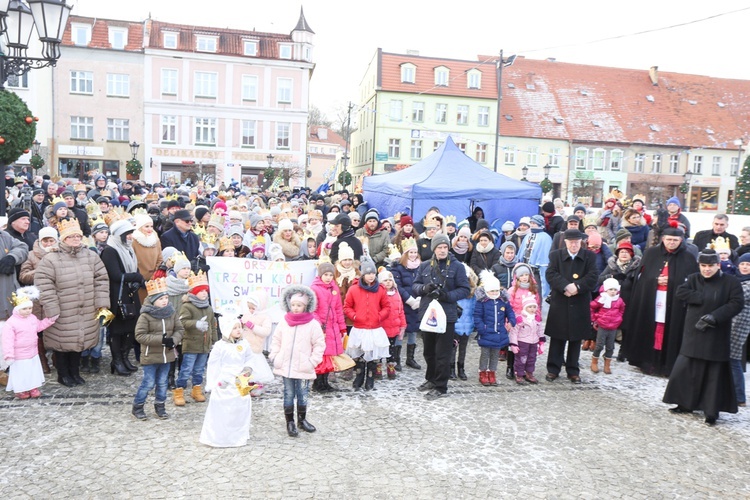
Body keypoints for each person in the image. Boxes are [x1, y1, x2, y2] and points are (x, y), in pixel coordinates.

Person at [663, 249, 743, 426]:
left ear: (718, 265)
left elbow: (737, 303)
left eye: (710, 266)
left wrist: (715, 316)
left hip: (717, 334)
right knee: (687, 369)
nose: (707, 269)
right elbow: (680, 293)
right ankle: (685, 403)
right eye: (703, 266)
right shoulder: (693, 279)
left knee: (713, 374)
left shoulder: (731, 282)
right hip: (694, 331)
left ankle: (711, 410)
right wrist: (703, 297)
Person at [34, 219, 110, 387]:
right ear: (63, 238)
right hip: (63, 308)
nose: (76, 239)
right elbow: (44, 284)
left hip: (86, 307)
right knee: (62, 343)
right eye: (72, 236)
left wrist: (101, 303)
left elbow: (101, 279)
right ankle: (63, 374)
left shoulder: (91, 256)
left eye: (78, 236)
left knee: (78, 342)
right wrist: (52, 307)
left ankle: (74, 372)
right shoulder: (51, 258)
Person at [623, 227, 698, 376]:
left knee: (670, 329)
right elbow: (640, 278)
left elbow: (692, 282)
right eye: (669, 239)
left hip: (674, 302)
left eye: (675, 240)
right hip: (652, 298)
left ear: (681, 240)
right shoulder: (651, 253)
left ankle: (667, 363)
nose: (671, 243)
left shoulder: (688, 257)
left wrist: (672, 281)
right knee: (651, 326)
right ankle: (647, 361)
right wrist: (655, 279)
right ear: (663, 239)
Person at [200, 309, 273, 447]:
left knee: (240, 409)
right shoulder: (220, 347)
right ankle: (219, 437)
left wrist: (247, 369)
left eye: (239, 327)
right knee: (223, 410)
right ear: (227, 329)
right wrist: (214, 382)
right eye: (234, 328)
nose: (238, 330)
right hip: (225, 382)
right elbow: (213, 365)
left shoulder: (244, 344)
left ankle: (237, 436)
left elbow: (250, 358)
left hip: (240, 381)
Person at [412, 234, 470, 400]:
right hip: (428, 315)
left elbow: (465, 289)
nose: (442, 250)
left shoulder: (457, 266)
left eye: (445, 247)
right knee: (429, 352)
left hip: (447, 315)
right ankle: (431, 379)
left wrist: (446, 295)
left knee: (443, 353)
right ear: (434, 249)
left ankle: (441, 386)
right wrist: (425, 289)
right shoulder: (424, 266)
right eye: (439, 247)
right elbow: (414, 287)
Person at [269, 285, 326, 438]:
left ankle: (302, 419)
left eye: (299, 305)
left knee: (303, 394)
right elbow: (276, 339)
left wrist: (312, 361)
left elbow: (319, 344)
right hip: (286, 365)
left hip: (304, 367)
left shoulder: (312, 324)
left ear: (306, 306)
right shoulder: (284, 322)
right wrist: (275, 355)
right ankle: (289, 421)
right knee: (288, 394)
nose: (295, 308)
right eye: (293, 305)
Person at [544, 229, 598, 384]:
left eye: (577, 242)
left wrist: (578, 287)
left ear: (581, 242)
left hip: (579, 301)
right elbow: (551, 274)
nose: (574, 245)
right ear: (565, 242)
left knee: (576, 339)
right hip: (560, 301)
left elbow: (593, 276)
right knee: (557, 338)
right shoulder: (556, 255)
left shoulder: (589, 256)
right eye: (571, 242)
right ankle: (553, 369)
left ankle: (573, 370)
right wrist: (565, 286)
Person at [131, 278, 184, 421]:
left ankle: (160, 406)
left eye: (166, 298)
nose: (165, 301)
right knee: (148, 383)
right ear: (153, 300)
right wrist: (161, 340)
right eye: (161, 298)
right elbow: (140, 335)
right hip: (150, 356)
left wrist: (173, 340)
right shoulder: (145, 316)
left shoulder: (171, 313)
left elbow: (179, 329)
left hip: (167, 356)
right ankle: (138, 406)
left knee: (162, 383)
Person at [101, 220, 144, 375]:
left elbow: (133, 267)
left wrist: (136, 279)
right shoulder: (110, 250)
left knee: (130, 328)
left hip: (130, 294)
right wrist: (136, 276)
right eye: (128, 234)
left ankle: (125, 358)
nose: (131, 237)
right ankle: (117, 360)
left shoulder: (129, 249)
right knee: (117, 330)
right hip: (116, 295)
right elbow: (116, 275)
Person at [343, 258, 391, 391]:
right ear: (363, 274)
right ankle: (359, 375)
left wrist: (379, 316)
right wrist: (354, 316)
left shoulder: (380, 289)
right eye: (368, 273)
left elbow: (386, 306)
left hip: (374, 327)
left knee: (372, 354)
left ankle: (370, 377)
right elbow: (347, 306)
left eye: (373, 273)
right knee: (359, 353)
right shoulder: (354, 289)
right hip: (359, 327)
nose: (371, 276)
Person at [2, 287, 57, 399]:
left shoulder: (32, 318)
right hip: (19, 355)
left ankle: (33, 387)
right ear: (18, 309)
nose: (28, 311)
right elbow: (7, 340)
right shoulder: (11, 323)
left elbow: (39, 326)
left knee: (32, 371)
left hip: (32, 352)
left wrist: (50, 320)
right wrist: (9, 355)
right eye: (25, 309)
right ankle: (21, 389)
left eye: (30, 308)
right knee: (21, 373)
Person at [18, 227, 57, 374]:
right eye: (45, 240)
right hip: (38, 300)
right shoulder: (31, 255)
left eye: (51, 240)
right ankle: (42, 360)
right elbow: (23, 276)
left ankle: (56, 356)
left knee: (56, 328)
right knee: (38, 332)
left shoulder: (60, 253)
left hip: (55, 297)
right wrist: (41, 270)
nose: (48, 243)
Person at [174, 270, 217, 407]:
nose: (204, 293)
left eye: (206, 290)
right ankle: (179, 391)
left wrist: (214, 341)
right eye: (201, 290)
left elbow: (212, 326)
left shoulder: (209, 308)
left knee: (199, 370)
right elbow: (182, 322)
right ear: (194, 292)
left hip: (204, 345)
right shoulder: (187, 306)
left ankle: (196, 389)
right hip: (191, 344)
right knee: (186, 369)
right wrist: (196, 324)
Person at [473, 271, 516, 386]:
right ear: (486, 291)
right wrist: (482, 329)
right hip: (486, 333)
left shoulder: (503, 301)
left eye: (496, 290)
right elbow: (477, 316)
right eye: (492, 291)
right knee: (485, 354)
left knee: (495, 355)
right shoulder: (482, 302)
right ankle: (482, 372)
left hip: (499, 334)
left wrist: (511, 322)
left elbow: (510, 312)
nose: (494, 293)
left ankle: (492, 372)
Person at [310, 261, 347, 392]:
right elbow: (312, 309)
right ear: (320, 275)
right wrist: (319, 324)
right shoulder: (315, 289)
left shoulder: (334, 288)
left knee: (329, 356)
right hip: (322, 328)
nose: (328, 277)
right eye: (326, 274)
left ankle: (325, 381)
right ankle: (317, 382)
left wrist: (342, 327)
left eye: (331, 275)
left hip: (333, 326)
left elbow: (338, 309)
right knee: (321, 355)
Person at [389, 238, 422, 370]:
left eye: (415, 252)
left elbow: (423, 282)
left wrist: (420, 298)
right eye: (410, 252)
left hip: (417, 302)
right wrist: (409, 299)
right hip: (403, 303)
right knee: (400, 331)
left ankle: (410, 358)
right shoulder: (398, 268)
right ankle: (396, 358)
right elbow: (398, 286)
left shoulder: (421, 266)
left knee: (413, 330)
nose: (413, 255)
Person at [590, 278, 626, 374]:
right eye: (611, 289)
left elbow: (622, 309)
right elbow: (591, 307)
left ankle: (607, 364)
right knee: (599, 345)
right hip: (602, 324)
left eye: (615, 289)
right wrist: (594, 319)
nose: (613, 292)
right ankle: (594, 362)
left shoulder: (619, 300)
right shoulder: (601, 299)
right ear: (606, 289)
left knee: (610, 346)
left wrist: (619, 317)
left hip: (613, 326)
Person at [509, 295, 545, 384]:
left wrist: (541, 342)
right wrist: (513, 344)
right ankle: (519, 374)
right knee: (521, 359)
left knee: (532, 358)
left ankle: (529, 373)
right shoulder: (520, 318)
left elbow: (540, 330)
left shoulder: (537, 318)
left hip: (533, 342)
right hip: (523, 342)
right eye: (530, 307)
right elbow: (514, 332)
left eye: (534, 307)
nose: (532, 309)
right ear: (525, 307)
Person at [729, 253, 750, 407]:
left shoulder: (747, 284)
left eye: (748, 265)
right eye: (743, 264)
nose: (744, 267)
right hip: (730, 323)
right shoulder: (736, 279)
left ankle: (739, 396)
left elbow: (736, 296)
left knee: (733, 359)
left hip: (739, 325)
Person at [378, 268, 406, 380]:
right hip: (382, 328)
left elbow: (401, 311)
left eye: (390, 280)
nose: (388, 282)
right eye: (385, 280)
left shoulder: (397, 294)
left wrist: (403, 325)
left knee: (392, 350)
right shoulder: (379, 294)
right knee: (380, 349)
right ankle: (378, 366)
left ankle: (390, 366)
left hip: (394, 328)